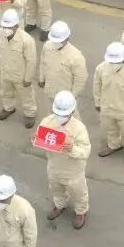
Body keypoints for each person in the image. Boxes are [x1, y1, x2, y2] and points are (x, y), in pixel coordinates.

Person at [37, 92, 91, 229]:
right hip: (54, 165)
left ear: (72, 112)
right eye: (58, 113)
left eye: (64, 114)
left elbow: (85, 151)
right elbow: (40, 137)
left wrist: (72, 149)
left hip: (73, 170)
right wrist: (36, 138)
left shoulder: (79, 128)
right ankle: (60, 204)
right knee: (56, 188)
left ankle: (81, 211)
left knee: (78, 192)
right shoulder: (47, 122)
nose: (60, 117)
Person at [93, 42, 124, 165]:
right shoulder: (101, 69)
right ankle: (114, 144)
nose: (114, 64)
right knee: (110, 129)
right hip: (107, 107)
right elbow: (96, 86)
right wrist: (97, 102)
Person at [0, 9, 38, 128]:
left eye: (9, 27)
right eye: (4, 26)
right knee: (6, 92)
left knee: (26, 96)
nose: (6, 29)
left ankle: (30, 114)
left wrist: (28, 78)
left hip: (20, 75)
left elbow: (31, 61)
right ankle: (8, 108)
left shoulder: (26, 40)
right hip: (5, 72)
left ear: (17, 25)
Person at [39, 21, 88, 105]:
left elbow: (81, 79)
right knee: (51, 111)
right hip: (50, 90)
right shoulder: (47, 46)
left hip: (66, 97)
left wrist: (72, 97)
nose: (56, 43)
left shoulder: (76, 56)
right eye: (54, 40)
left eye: (60, 41)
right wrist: (41, 78)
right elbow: (43, 62)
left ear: (67, 38)